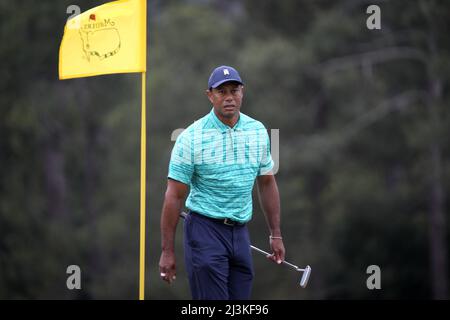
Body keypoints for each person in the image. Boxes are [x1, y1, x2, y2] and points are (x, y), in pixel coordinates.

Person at [158, 65, 285, 300]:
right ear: (210, 95)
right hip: (204, 231)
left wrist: (275, 234)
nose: (229, 97)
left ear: (242, 92)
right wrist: (167, 251)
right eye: (221, 91)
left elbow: (267, 183)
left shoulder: (257, 131)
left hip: (240, 233)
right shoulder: (191, 137)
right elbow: (174, 196)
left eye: (234, 90)